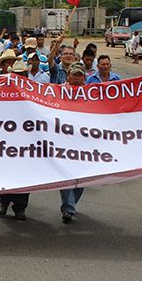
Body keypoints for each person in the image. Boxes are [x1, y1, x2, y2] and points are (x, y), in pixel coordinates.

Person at [0, 60, 31, 219]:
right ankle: (4, 202)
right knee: (5, 174)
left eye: (22, 74)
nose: (19, 77)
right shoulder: (2, 90)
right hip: (6, 140)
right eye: (17, 75)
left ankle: (20, 208)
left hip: (27, 142)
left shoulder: (34, 92)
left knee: (25, 177)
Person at [59, 62, 87, 223]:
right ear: (68, 75)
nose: (76, 78)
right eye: (74, 75)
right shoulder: (57, 91)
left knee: (82, 177)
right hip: (63, 139)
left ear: (84, 77)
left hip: (84, 141)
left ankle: (70, 204)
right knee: (65, 174)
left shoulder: (92, 93)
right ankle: (68, 208)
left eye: (79, 75)